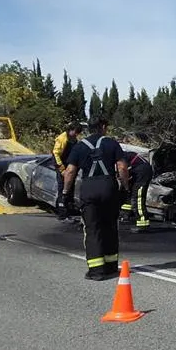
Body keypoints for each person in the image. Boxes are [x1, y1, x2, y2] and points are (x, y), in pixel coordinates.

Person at [63, 117, 130, 281]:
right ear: (103, 127)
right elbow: (122, 167)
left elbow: (70, 171)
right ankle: (111, 266)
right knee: (110, 227)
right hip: (108, 188)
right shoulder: (112, 143)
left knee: (92, 229)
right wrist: (125, 188)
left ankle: (96, 271)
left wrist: (65, 192)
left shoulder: (79, 147)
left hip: (89, 189)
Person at [53, 122, 83, 221]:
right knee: (63, 189)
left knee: (70, 188)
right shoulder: (62, 138)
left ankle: (69, 210)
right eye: (75, 132)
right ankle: (62, 213)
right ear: (71, 130)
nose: (76, 134)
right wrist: (62, 169)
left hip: (70, 167)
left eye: (78, 133)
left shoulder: (74, 139)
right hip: (62, 166)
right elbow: (56, 154)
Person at [120, 150, 153, 232]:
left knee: (137, 197)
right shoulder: (125, 155)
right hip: (137, 172)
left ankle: (143, 224)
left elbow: (122, 169)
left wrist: (125, 183)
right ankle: (126, 214)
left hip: (142, 173)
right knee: (127, 192)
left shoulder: (120, 157)